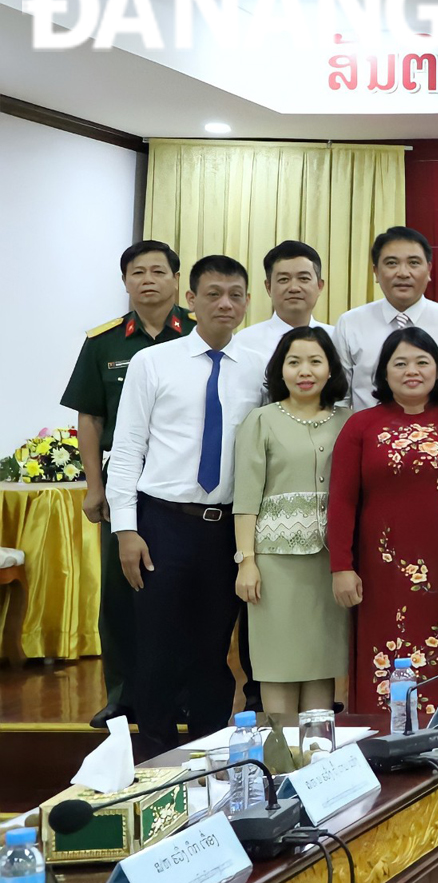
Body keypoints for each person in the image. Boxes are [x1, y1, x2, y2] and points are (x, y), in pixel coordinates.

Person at [105, 254, 258, 758]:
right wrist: (127, 530)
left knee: (214, 651)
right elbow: (126, 449)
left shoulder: (258, 369)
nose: (225, 304)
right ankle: (156, 765)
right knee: (157, 650)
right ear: (191, 300)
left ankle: (210, 762)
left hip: (224, 529)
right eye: (213, 294)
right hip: (163, 523)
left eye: (235, 294)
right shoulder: (154, 362)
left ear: (247, 301)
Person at [62, 240, 194, 729]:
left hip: (184, 486)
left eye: (158, 271)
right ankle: (123, 696)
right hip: (126, 482)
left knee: (178, 593)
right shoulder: (105, 343)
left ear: (177, 280)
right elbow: (91, 419)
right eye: (137, 272)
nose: (148, 280)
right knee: (120, 594)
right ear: (125, 282)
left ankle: (179, 693)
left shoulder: (201, 336)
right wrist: (95, 488)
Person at [326, 327, 438, 720]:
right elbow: (341, 501)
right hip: (379, 571)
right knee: (382, 659)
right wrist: (341, 566)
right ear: (383, 374)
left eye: (422, 362)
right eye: (400, 363)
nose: (412, 371)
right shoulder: (361, 425)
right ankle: (384, 753)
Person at [231, 327, 351, 715]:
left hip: (328, 566)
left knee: (320, 668)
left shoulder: (349, 421)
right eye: (294, 361)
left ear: (330, 369)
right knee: (276, 667)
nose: (305, 370)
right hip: (274, 566)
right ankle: (282, 766)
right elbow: (247, 498)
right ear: (279, 369)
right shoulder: (261, 420)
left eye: (315, 361)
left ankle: (317, 765)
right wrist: (246, 561)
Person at [335, 227, 438, 411]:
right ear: (375, 271)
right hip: (367, 435)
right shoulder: (349, 324)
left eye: (413, 263)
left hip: (436, 435)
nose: (403, 273)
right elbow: (340, 399)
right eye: (391, 263)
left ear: (429, 269)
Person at [232, 241, 332, 402]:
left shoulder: (337, 339)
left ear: (320, 286)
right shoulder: (244, 342)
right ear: (268, 287)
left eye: (303, 278)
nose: (294, 287)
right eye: (284, 279)